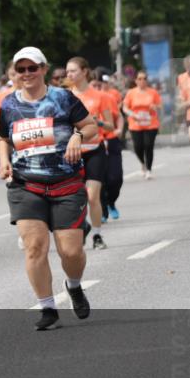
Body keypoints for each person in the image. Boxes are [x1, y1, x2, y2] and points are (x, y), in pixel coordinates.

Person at [0, 47, 98, 332]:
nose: (26, 74)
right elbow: (3, 139)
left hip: (66, 184)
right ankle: (48, 308)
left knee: (71, 253)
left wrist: (77, 136)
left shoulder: (62, 98)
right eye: (21, 69)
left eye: (32, 68)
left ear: (43, 69)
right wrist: (4, 161)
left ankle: (74, 286)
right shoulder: (8, 105)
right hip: (25, 185)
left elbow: (91, 127)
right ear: (15, 73)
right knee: (35, 247)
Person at [65, 58, 115, 250]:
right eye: (68, 71)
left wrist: (98, 122)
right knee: (75, 197)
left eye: (73, 71)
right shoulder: (65, 96)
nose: (69, 75)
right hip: (73, 153)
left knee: (92, 196)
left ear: (85, 72)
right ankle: (83, 225)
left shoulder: (100, 96)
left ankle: (97, 234)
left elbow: (110, 125)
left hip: (94, 150)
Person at [92, 76, 124, 222]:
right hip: (94, 142)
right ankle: (103, 210)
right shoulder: (80, 100)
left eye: (98, 85)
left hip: (110, 139)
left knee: (115, 178)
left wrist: (120, 129)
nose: (96, 88)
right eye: (93, 85)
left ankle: (111, 202)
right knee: (100, 180)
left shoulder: (107, 98)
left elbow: (119, 116)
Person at [123, 71, 162, 179]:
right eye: (139, 79)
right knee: (138, 147)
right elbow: (125, 108)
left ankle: (149, 170)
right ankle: (143, 163)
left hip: (151, 123)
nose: (142, 81)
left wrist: (155, 107)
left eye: (144, 78)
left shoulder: (153, 92)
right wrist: (133, 114)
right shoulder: (131, 93)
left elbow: (159, 105)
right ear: (135, 80)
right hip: (136, 123)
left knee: (148, 145)